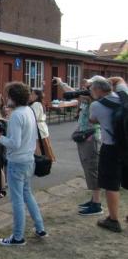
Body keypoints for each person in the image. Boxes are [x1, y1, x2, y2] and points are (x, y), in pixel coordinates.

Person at [0, 82, 47, 246]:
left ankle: (18, 237)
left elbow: (14, 143)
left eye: (8, 95)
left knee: (17, 201)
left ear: (13, 97)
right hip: (29, 160)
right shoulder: (28, 110)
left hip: (17, 162)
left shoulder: (16, 115)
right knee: (28, 195)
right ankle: (40, 227)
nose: (6, 98)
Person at [55, 76, 103, 216]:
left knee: (92, 168)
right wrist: (60, 83)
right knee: (88, 168)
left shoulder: (96, 100)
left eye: (90, 86)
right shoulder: (87, 97)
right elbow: (73, 92)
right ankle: (94, 199)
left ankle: (97, 204)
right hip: (84, 136)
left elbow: (76, 94)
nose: (86, 88)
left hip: (91, 138)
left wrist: (68, 87)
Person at [89, 78, 124, 232]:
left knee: (111, 184)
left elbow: (93, 120)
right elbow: (121, 79)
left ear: (97, 90)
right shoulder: (124, 96)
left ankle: (113, 220)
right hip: (126, 146)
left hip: (111, 148)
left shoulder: (96, 105)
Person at [30, 90, 56, 162]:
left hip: (39, 127)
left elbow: (34, 116)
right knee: (44, 144)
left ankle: (45, 160)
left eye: (32, 94)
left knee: (42, 145)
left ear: (37, 96)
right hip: (41, 126)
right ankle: (47, 159)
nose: (30, 96)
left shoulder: (36, 104)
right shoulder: (38, 103)